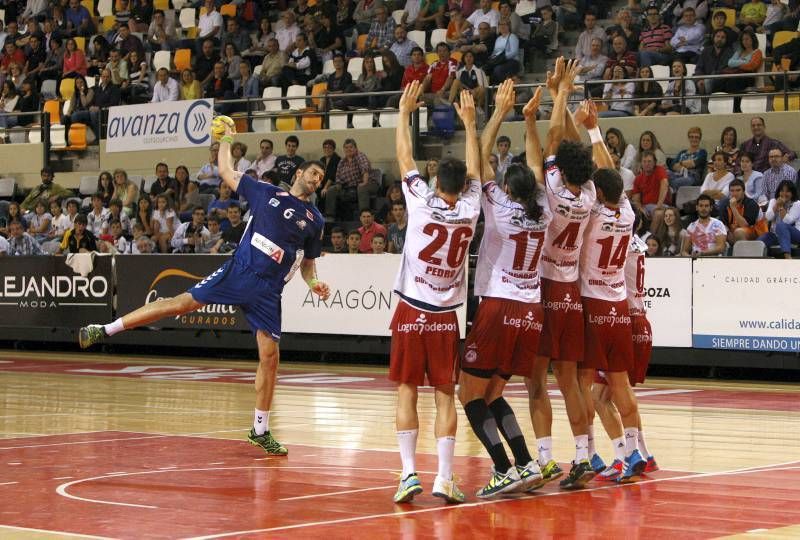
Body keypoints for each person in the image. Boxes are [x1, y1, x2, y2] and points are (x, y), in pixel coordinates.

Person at [78, 124, 331, 459]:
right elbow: (226, 170)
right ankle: (104, 329)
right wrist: (225, 139)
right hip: (238, 273)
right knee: (178, 304)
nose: (316, 180)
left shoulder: (314, 219)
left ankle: (260, 430)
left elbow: (308, 266)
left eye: (321, 179)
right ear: (299, 172)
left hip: (268, 292)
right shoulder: (267, 193)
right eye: (313, 173)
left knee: (270, 358)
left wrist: (315, 285)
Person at [457, 80, 551, 498]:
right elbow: (536, 161)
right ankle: (526, 463)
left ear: (508, 188)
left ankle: (502, 468)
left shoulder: (499, 204)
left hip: (498, 305)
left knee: (468, 393)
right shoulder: (543, 206)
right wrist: (531, 118)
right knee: (494, 391)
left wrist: (495, 114)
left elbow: (477, 159)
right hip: (531, 311)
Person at [390, 80, 481, 505]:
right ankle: (444, 477)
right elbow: (477, 171)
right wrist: (470, 125)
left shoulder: (421, 200)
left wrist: (405, 112)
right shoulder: (471, 209)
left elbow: (404, 156)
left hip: (412, 309)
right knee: (446, 394)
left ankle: (409, 473)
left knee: (407, 389)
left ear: (435, 178)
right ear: (462, 187)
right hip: (446, 314)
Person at [524, 58, 596, 490]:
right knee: (570, 381)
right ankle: (584, 455)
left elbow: (552, 138)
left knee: (536, 380)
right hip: (571, 290)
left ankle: (547, 459)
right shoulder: (588, 193)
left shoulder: (551, 188)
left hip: (545, 284)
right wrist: (561, 93)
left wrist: (561, 93)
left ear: (560, 169)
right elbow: (567, 143)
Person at [592, 232, 657, 481]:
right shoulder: (637, 244)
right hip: (641, 321)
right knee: (623, 392)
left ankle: (622, 457)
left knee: (599, 397)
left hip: (622, 322)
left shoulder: (616, 243)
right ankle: (644, 453)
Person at [323, 139, 373, 220]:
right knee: (331, 190)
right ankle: (330, 217)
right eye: (346, 147)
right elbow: (338, 177)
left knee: (362, 188)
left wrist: (364, 182)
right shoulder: (342, 161)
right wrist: (338, 186)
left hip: (368, 183)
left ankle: (364, 216)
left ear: (356, 148)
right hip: (350, 187)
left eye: (351, 147)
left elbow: (365, 170)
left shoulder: (360, 156)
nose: (348, 149)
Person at [758, 180, 800, 258]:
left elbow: (788, 221)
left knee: (781, 225)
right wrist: (776, 206)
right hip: (776, 235)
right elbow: (768, 217)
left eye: (787, 191)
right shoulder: (773, 201)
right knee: (761, 240)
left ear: (792, 193)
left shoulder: (797, 204)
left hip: (795, 235)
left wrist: (781, 207)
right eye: (782, 191)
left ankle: (787, 256)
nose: (784, 194)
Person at [631, 151, 671, 233]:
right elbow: (636, 200)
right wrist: (641, 209)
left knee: (658, 214)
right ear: (641, 163)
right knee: (634, 214)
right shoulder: (638, 179)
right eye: (644, 161)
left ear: (654, 163)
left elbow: (664, 184)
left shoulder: (659, 170)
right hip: (646, 207)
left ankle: (650, 238)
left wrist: (658, 206)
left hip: (661, 205)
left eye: (649, 161)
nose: (647, 164)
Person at [718, 179, 764, 244]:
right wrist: (727, 233)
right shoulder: (724, 204)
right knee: (718, 232)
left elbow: (744, 225)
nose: (735, 193)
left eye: (738, 190)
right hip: (733, 232)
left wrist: (733, 208)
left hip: (756, 233)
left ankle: (744, 253)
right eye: (732, 191)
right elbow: (722, 223)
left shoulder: (751, 204)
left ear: (743, 191)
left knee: (739, 232)